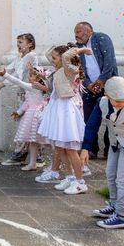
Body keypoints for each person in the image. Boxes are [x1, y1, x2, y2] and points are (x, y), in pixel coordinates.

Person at [84, 77, 124, 228]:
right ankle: (113, 205)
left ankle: (121, 216)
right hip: (115, 143)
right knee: (111, 174)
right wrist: (85, 148)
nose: (123, 103)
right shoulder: (102, 103)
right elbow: (92, 126)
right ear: (107, 95)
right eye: (118, 100)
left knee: (123, 179)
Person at [36, 44, 91, 195]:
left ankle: (80, 182)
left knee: (71, 149)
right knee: (63, 148)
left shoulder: (69, 69)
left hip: (68, 111)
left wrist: (80, 50)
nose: (52, 60)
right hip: (59, 109)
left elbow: (66, 57)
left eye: (55, 58)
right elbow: (49, 55)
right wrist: (59, 50)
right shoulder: (59, 68)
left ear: (64, 58)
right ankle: (70, 176)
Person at [0, 33, 39, 166]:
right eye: (17, 42)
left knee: (24, 124)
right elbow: (9, 71)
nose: (18, 45)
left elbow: (16, 76)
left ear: (30, 44)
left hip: (29, 95)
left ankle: (21, 155)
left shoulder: (30, 56)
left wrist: (1, 85)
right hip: (22, 94)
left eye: (21, 42)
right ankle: (29, 155)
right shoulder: (20, 57)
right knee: (25, 124)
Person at [74, 22, 118, 159]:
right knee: (88, 118)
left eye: (79, 32)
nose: (76, 35)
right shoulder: (78, 47)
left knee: (111, 117)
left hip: (108, 85)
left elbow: (109, 62)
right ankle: (91, 149)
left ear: (88, 31)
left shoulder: (101, 38)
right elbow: (79, 69)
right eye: (75, 32)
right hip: (90, 88)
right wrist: (88, 84)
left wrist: (101, 81)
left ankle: (109, 149)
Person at [0, 63, 49, 171]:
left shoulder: (32, 87)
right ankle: (33, 163)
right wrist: (19, 112)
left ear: (39, 78)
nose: (29, 77)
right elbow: (27, 103)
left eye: (32, 75)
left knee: (43, 141)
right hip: (32, 115)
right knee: (32, 141)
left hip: (36, 116)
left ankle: (52, 165)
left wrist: (6, 75)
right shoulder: (33, 88)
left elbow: (18, 82)